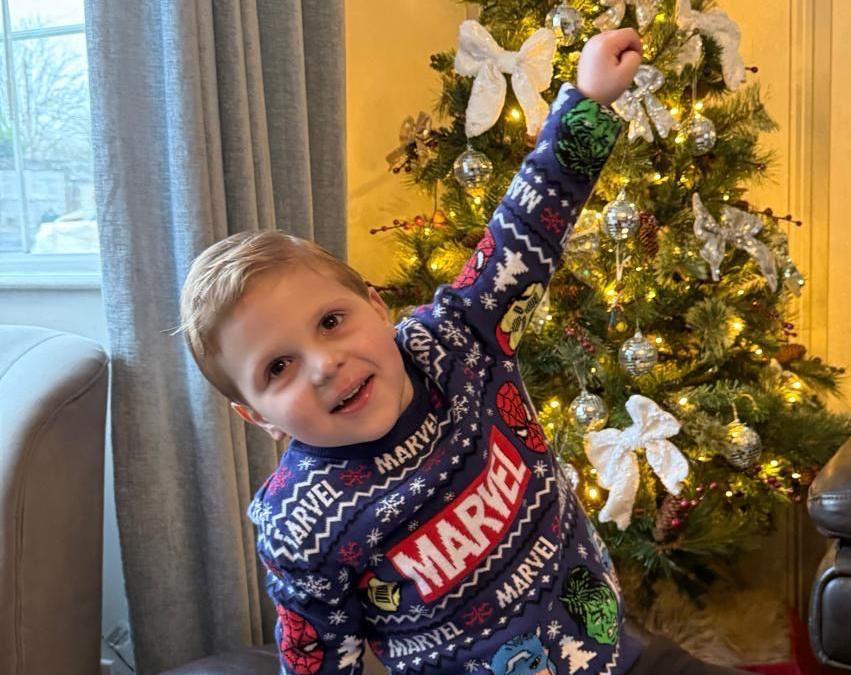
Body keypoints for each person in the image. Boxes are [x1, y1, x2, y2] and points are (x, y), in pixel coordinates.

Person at [179, 28, 751, 675]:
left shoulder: (456, 339)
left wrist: (588, 102)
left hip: (620, 653)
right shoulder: (301, 522)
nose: (323, 363)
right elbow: (316, 655)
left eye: (332, 321)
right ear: (259, 417)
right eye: (277, 367)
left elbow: (525, 232)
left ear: (375, 304)